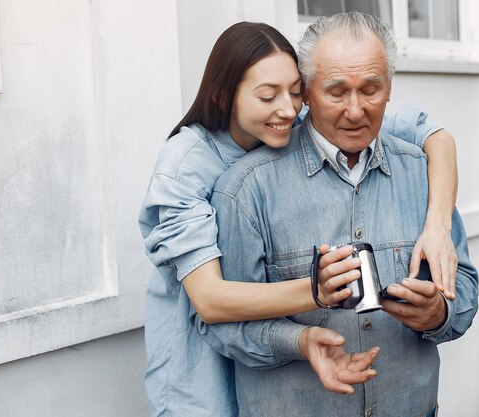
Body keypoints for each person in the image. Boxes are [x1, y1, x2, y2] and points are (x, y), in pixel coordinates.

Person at [139, 20, 460, 417]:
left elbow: (436, 137)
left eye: (294, 93)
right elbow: (210, 302)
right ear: (224, 97)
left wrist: (438, 225)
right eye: (267, 96)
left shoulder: (312, 118)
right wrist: (318, 291)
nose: (288, 109)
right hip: (194, 365)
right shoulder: (188, 167)